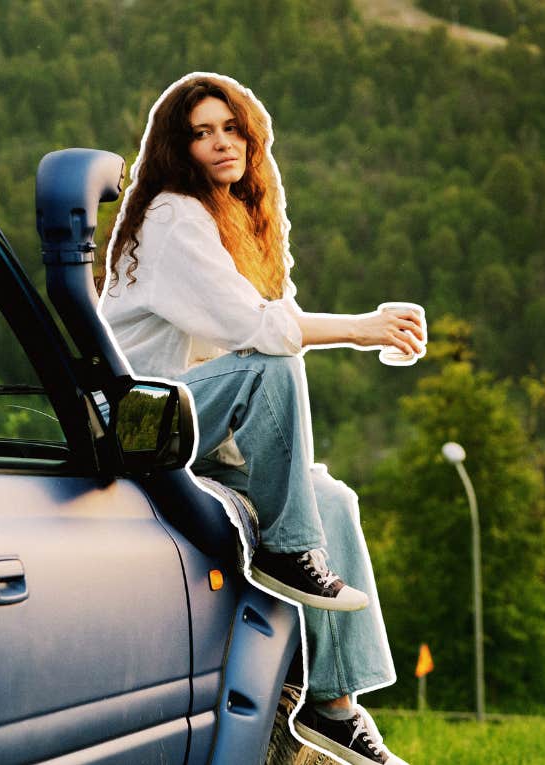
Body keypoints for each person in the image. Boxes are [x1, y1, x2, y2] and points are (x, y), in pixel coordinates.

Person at [99, 72, 422, 765]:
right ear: (178, 149)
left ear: (251, 133)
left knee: (331, 498)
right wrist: (364, 328)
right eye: (201, 133)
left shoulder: (241, 221)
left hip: (202, 424)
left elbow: (275, 318)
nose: (221, 143)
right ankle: (283, 549)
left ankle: (334, 706)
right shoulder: (171, 217)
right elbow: (261, 332)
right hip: (150, 420)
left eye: (230, 128)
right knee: (271, 365)